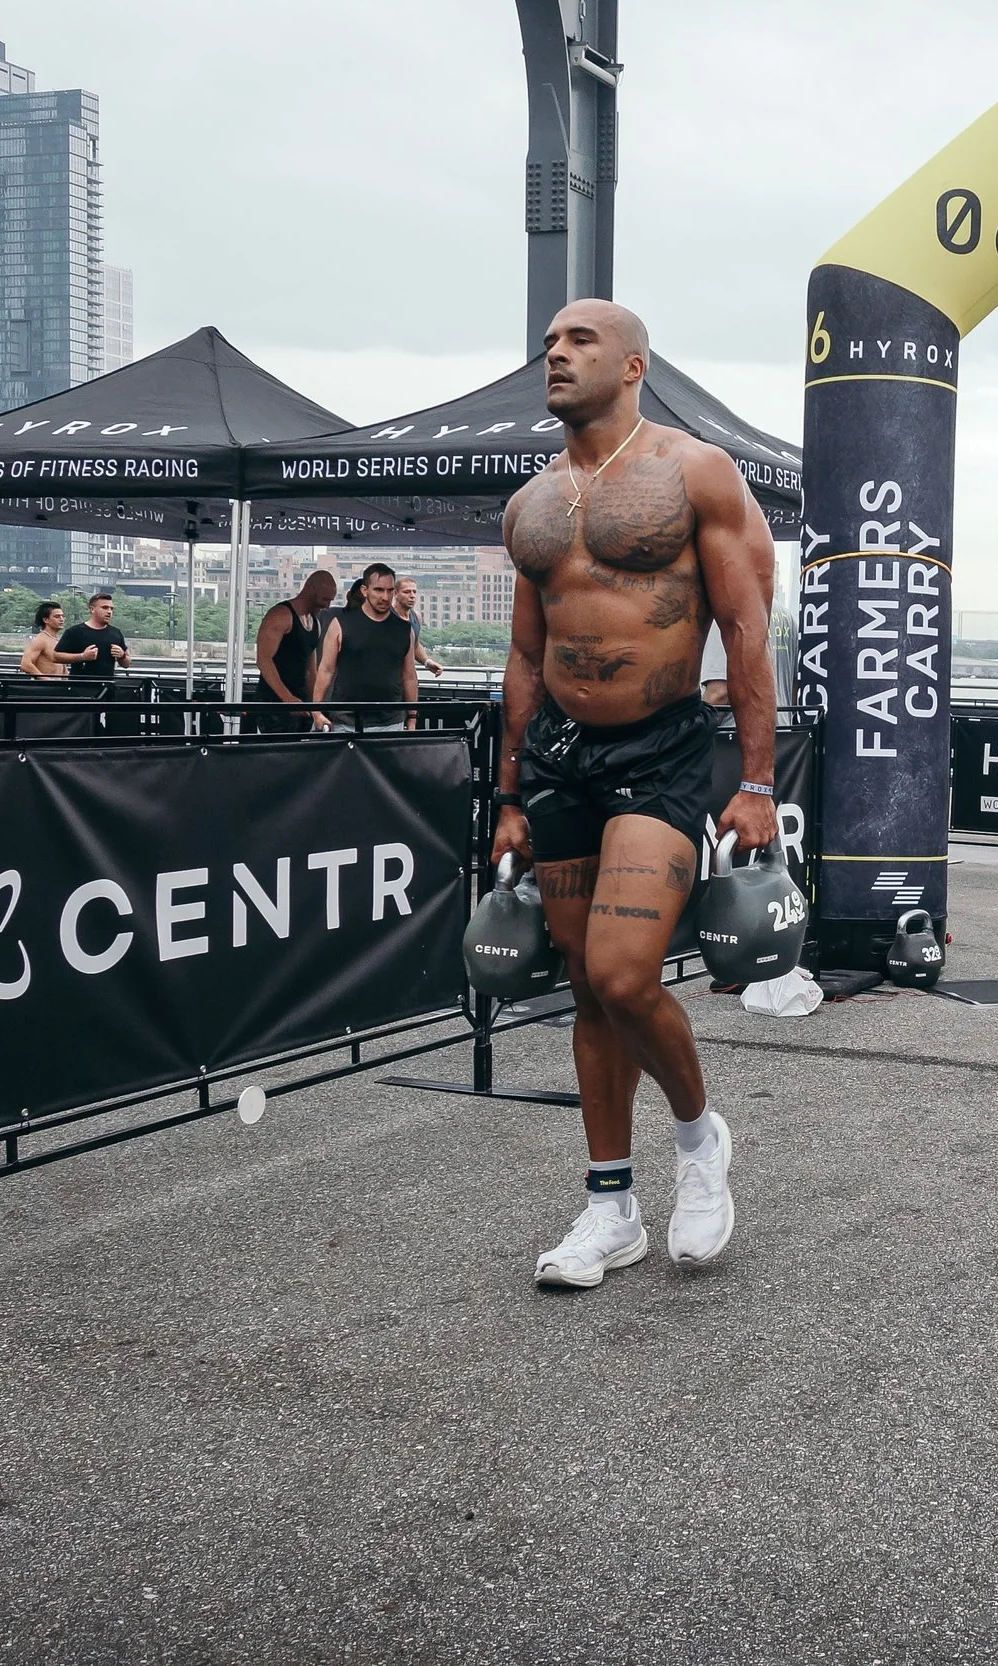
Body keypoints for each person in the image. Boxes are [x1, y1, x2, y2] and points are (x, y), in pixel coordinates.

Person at [492, 298, 777, 1291]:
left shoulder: (693, 470)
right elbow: (526, 653)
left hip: (660, 749)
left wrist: (754, 780)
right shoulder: (530, 504)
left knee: (621, 974)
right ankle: (608, 1207)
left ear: (632, 365)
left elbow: (746, 629)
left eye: (578, 341)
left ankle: (700, 1143)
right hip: (561, 758)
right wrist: (510, 793)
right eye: (547, 344)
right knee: (583, 990)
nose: (555, 354)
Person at [310, 562, 418, 731]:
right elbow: (326, 670)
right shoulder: (341, 624)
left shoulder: (404, 629)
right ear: (364, 590)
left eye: (389, 591)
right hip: (345, 722)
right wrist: (316, 711)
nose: (385, 597)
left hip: (391, 722)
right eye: (378, 590)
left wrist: (412, 718)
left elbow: (409, 676)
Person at [253, 568, 337, 730]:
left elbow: (310, 671)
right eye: (325, 599)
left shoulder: (315, 623)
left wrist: (315, 709)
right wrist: (287, 698)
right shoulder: (280, 615)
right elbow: (263, 660)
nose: (327, 605)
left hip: (301, 703)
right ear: (311, 590)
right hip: (274, 703)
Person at [56, 593, 128, 680]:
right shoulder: (75, 631)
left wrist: (122, 655)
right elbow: (55, 656)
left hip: (106, 687)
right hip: (80, 686)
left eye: (111, 608)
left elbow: (127, 664)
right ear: (92, 609)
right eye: (104, 608)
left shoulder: (116, 633)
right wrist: (82, 656)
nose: (109, 611)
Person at [394, 577, 447, 678]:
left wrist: (427, 662)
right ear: (395, 593)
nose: (412, 596)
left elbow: (415, 645)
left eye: (414, 592)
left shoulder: (416, 617)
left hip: (407, 677)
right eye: (407, 592)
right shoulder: (386, 616)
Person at [18, 601, 70, 678]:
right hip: (45, 688)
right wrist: (45, 679)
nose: (61, 619)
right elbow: (26, 664)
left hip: (59, 687)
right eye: (57, 616)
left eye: (62, 616)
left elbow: (61, 666)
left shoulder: (56, 640)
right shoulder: (40, 640)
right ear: (46, 620)